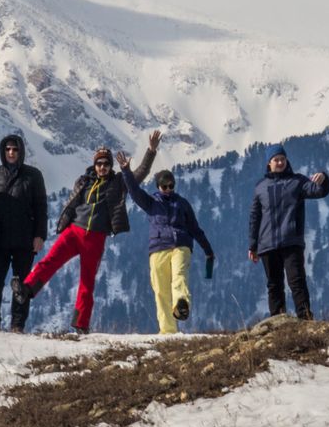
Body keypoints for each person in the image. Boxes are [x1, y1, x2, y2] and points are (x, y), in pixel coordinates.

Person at [14, 137, 157, 335]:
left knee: (87, 282)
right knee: (50, 261)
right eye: (99, 163)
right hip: (73, 232)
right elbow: (73, 203)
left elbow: (140, 174)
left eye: (106, 164)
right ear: (94, 164)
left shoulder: (118, 183)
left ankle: (81, 324)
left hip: (96, 238)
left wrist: (150, 151)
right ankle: (27, 289)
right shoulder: (83, 181)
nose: (102, 167)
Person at [120, 158, 215, 334]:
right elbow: (133, 191)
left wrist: (208, 250)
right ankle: (168, 330)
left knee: (179, 274)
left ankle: (181, 303)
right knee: (160, 289)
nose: (169, 189)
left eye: (171, 185)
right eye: (165, 186)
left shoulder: (183, 203)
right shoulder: (151, 203)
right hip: (158, 248)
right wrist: (126, 171)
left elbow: (195, 228)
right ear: (158, 186)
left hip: (181, 244)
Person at [248, 145, 329, 320]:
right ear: (269, 163)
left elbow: (319, 191)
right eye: (276, 160)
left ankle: (305, 318)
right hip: (266, 244)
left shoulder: (298, 182)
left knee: (297, 281)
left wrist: (324, 178)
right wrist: (252, 245)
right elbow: (254, 217)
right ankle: (277, 321)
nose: (280, 162)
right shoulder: (260, 187)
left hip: (291, 241)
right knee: (274, 285)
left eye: (282, 159)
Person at [0, 133, 47, 333]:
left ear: (21, 151)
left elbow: (41, 206)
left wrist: (40, 235)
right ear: (2, 151)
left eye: (15, 149)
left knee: (22, 285)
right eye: (7, 149)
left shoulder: (33, 175)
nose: (11, 152)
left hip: (25, 238)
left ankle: (17, 325)